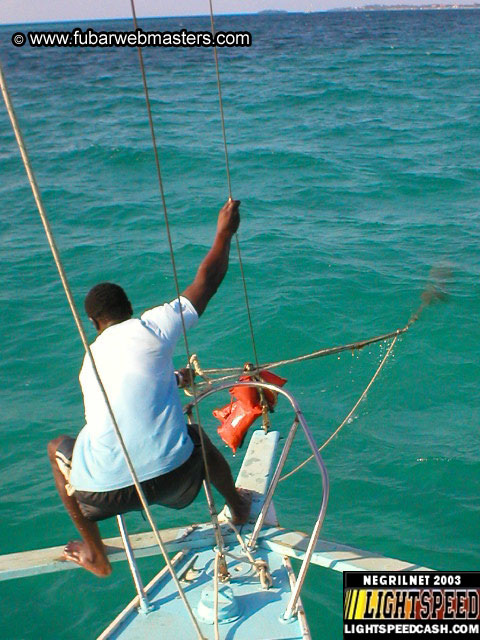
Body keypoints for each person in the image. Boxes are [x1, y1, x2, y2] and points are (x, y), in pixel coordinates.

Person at [47, 199, 250, 577]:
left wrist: (172, 379)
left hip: (101, 496)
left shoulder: (88, 363)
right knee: (199, 439)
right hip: (175, 477)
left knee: (56, 447)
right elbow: (208, 280)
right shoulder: (152, 327)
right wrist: (224, 232)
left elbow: (125, 392)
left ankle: (96, 552)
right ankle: (238, 507)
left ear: (94, 323)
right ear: (130, 307)